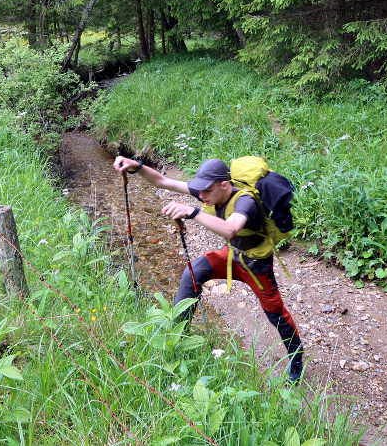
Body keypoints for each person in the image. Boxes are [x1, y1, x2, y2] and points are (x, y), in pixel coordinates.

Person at [113, 156, 304, 382]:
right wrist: (138, 167)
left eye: (206, 191)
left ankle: (296, 358)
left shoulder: (245, 202)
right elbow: (163, 182)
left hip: (256, 265)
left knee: (275, 314)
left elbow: (231, 229)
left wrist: (193, 212)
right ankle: (178, 338)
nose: (201, 195)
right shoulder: (210, 190)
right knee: (194, 271)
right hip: (232, 256)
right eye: (200, 190)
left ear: (224, 184)